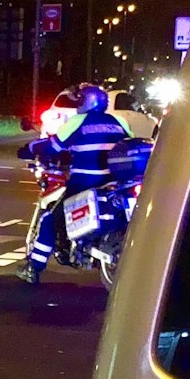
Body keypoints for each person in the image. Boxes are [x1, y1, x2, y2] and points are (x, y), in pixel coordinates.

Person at [20, 83, 129, 283]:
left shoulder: (78, 121)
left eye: (80, 100)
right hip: (113, 182)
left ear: (86, 102)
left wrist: (30, 148)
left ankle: (33, 268)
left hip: (85, 181)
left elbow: (54, 146)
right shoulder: (118, 121)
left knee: (51, 220)